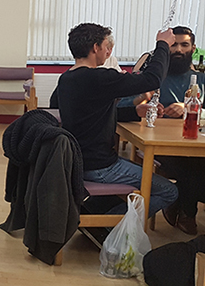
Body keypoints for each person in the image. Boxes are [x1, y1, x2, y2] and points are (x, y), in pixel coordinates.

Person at [55, 23, 178, 218]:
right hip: (99, 167)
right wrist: (162, 44)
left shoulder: (67, 78)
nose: (108, 51)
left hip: (80, 161)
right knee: (169, 191)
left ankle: (98, 216)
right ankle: (111, 226)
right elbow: (151, 80)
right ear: (96, 47)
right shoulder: (99, 78)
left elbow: (90, 115)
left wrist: (135, 111)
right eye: (106, 46)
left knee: (137, 173)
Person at [121, 26, 205, 235]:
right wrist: (144, 99)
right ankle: (186, 212)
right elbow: (121, 106)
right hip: (161, 145)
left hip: (196, 141)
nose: (178, 50)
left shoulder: (200, 81)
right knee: (191, 164)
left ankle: (180, 204)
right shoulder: (152, 78)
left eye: (184, 45)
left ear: (193, 48)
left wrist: (188, 107)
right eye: (173, 45)